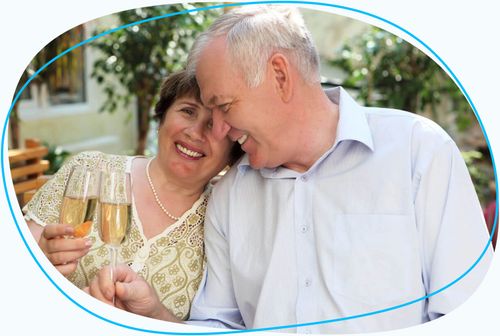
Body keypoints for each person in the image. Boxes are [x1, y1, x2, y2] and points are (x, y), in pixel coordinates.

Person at [88, 5, 494, 333]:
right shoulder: (231, 194)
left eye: (224, 107)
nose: (221, 130)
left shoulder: (417, 152)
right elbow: (219, 323)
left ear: (280, 76)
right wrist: (154, 317)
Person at [25, 70, 243, 320]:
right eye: (188, 111)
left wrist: (155, 313)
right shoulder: (89, 171)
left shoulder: (225, 219)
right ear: (161, 118)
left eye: (214, 124)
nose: (195, 132)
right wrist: (40, 262)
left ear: (233, 150)